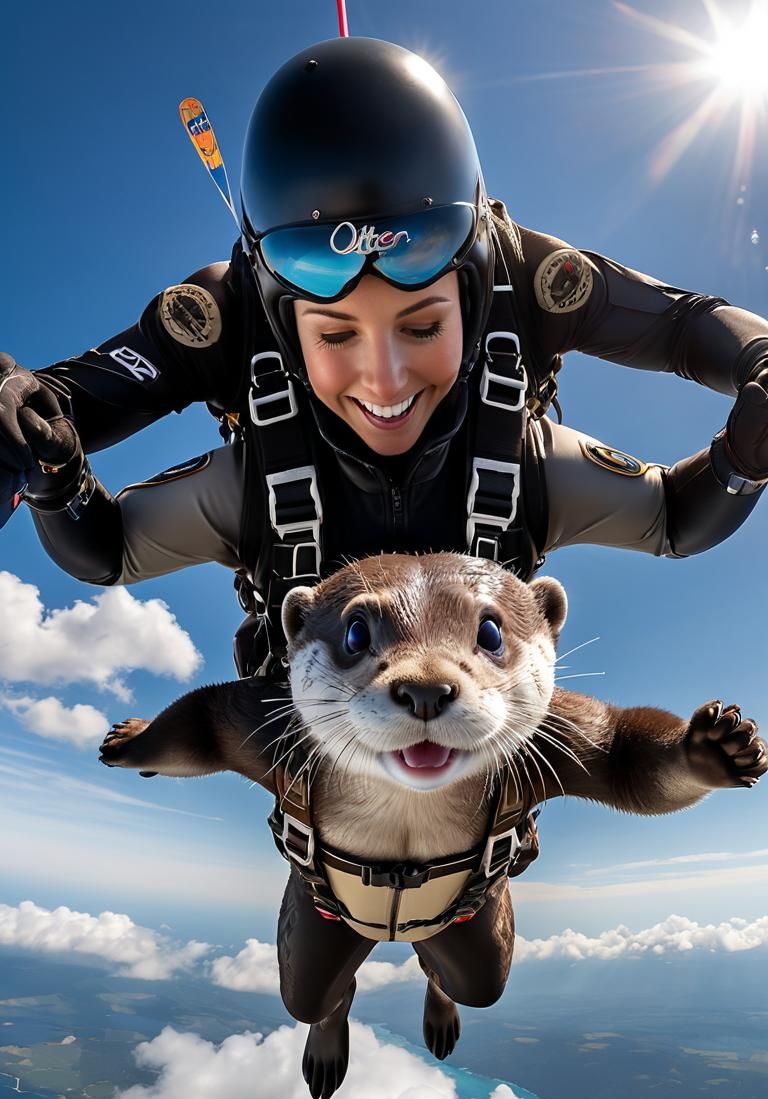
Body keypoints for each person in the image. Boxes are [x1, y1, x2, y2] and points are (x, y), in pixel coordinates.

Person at [3, 35, 768, 680]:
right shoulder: (227, 318)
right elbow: (64, 430)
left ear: (472, 288)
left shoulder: (524, 278)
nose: (387, 379)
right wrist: (38, 452)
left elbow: (687, 342)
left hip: (474, 633)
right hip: (312, 646)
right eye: (336, 335)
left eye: (422, 325)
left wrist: (753, 417)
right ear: (279, 317)